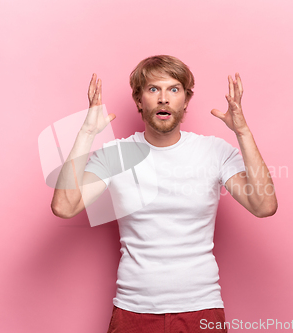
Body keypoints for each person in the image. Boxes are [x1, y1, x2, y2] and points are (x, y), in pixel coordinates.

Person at [51, 55, 278, 333]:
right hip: (133, 309)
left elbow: (264, 205)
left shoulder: (214, 151)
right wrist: (87, 132)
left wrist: (242, 132)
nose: (163, 99)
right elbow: (64, 206)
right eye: (153, 89)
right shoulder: (116, 155)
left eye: (173, 89)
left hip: (201, 308)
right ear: (139, 100)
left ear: (185, 100)